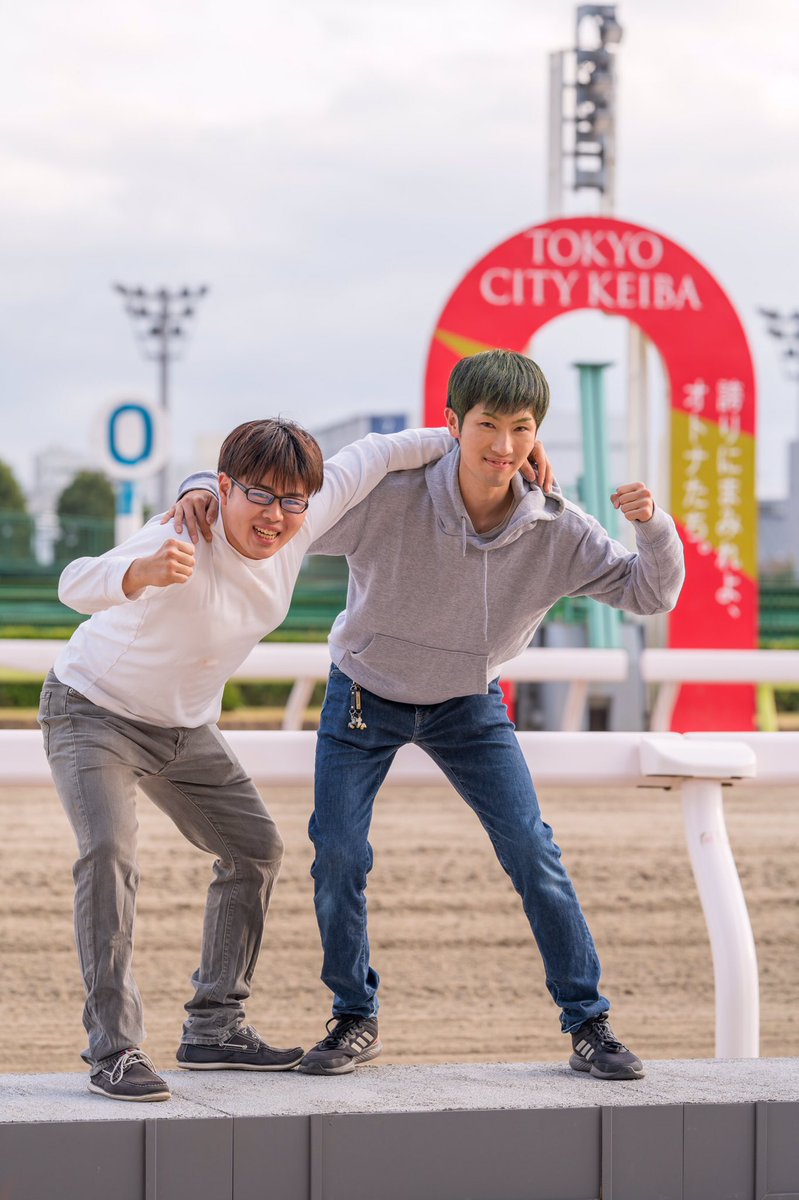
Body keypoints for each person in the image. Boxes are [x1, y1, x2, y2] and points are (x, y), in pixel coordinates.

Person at [174, 349, 684, 1083]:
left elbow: (648, 593)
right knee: (338, 854)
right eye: (486, 425)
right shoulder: (389, 494)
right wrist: (200, 486)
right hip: (363, 692)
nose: (503, 446)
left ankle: (589, 1023)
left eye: (520, 428)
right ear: (452, 424)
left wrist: (653, 525)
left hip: (470, 704)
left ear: (536, 434)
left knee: (532, 852)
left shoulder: (555, 525)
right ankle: (354, 1016)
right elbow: (279, 504)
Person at [39, 416, 462, 1101]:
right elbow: (73, 583)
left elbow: (381, 451)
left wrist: (490, 446)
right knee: (109, 852)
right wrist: (140, 572)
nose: (275, 515)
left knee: (255, 848)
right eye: (259, 495)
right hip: (92, 708)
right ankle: (113, 1049)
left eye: (292, 500)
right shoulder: (185, 530)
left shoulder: (302, 515)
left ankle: (215, 1026)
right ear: (225, 488)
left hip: (184, 728)